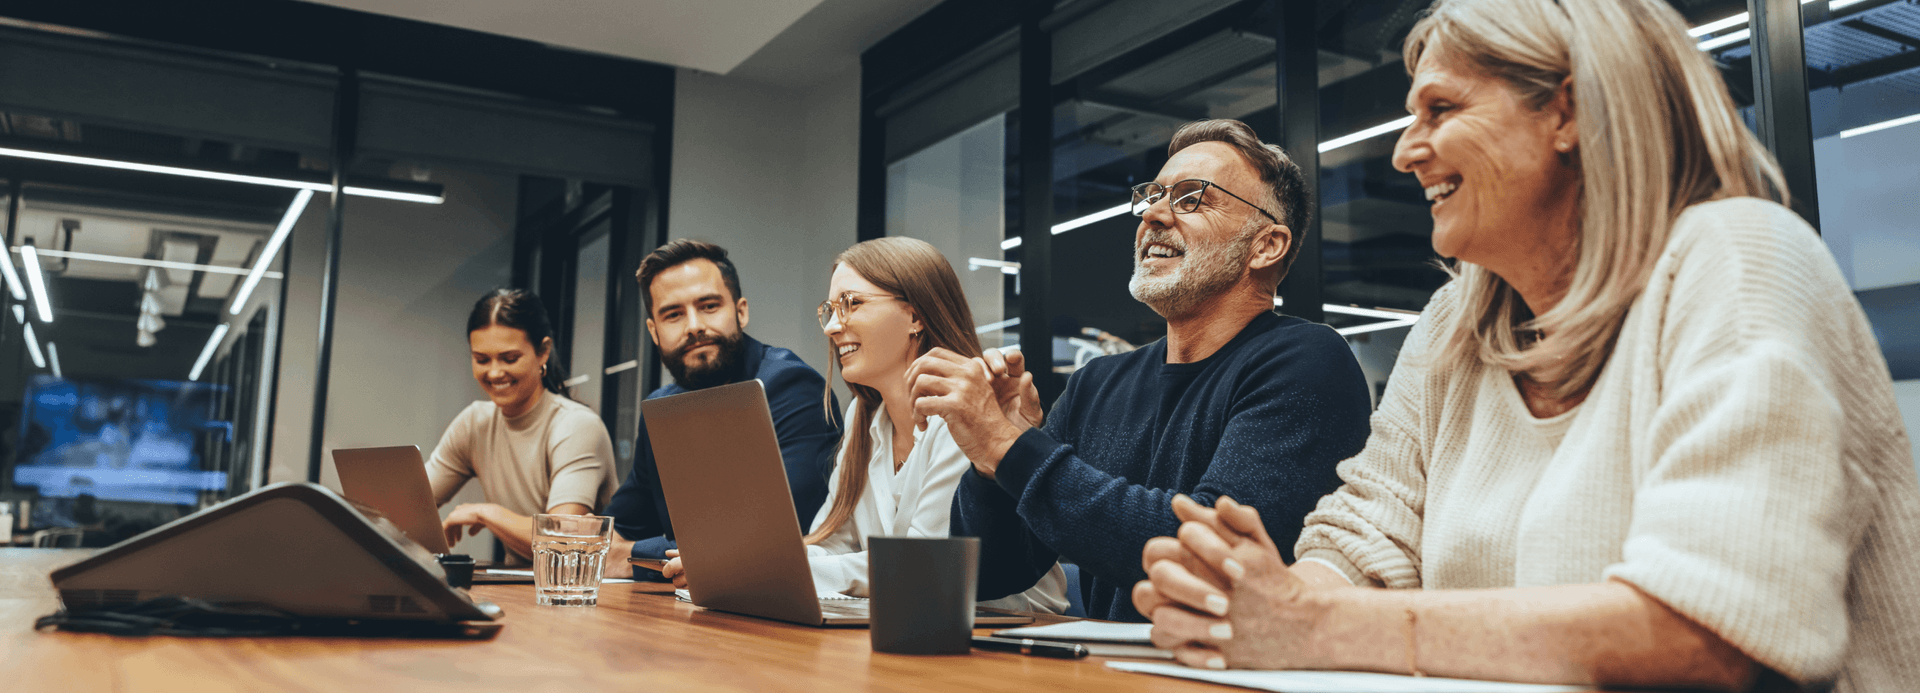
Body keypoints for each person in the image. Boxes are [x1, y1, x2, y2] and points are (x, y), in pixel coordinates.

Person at [1133, 0, 1920, 690]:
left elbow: (1708, 630)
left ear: (1566, 112)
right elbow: (1365, 538)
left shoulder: (1738, 256)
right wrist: (1259, 601)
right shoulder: (1454, 322)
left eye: (1441, 109)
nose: (1405, 151)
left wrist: (1314, 624)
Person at [912, 119, 1375, 621]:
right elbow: (992, 575)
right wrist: (991, 465)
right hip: (1104, 662)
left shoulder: (1306, 361)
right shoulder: (1097, 383)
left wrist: (1011, 447)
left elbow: (1207, 558)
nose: (1153, 214)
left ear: (1266, 246)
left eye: (1192, 198)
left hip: (1225, 662)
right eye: (1152, 196)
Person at [660, 237, 1068, 611]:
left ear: (915, 315)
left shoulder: (970, 408)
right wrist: (736, 561)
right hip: (916, 622)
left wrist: (759, 569)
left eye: (851, 303)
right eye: (829, 310)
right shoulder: (863, 415)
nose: (832, 326)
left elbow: (922, 564)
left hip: (1014, 632)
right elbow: (832, 542)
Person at [602, 239, 842, 577]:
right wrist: (607, 546)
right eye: (673, 314)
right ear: (654, 332)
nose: (694, 326)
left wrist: (629, 556)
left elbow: (775, 538)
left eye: (709, 306)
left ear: (741, 312)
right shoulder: (660, 407)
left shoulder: (793, 387)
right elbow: (617, 529)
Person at [430, 288, 617, 561]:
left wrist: (487, 513)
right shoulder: (474, 423)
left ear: (543, 352)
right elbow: (411, 504)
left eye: (509, 359)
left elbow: (561, 540)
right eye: (481, 360)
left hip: (581, 584)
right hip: (519, 581)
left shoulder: (576, 425)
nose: (494, 372)